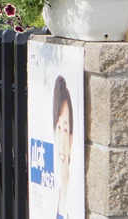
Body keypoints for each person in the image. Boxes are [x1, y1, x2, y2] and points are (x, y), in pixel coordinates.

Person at [52, 75, 75, 219]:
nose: (61, 141)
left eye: (65, 129)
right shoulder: (53, 192)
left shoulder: (74, 192)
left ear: (71, 139)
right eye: (59, 127)